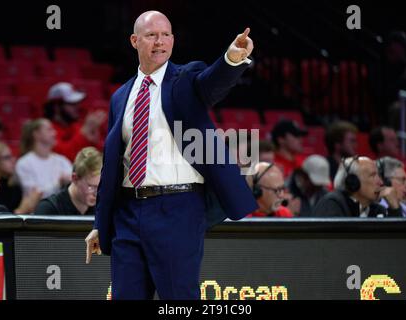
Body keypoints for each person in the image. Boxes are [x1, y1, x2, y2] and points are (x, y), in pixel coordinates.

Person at [85, 11, 257, 300]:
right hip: (128, 212)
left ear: (174, 40)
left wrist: (231, 60)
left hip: (178, 208)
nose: (159, 41)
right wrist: (99, 225)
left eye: (166, 35)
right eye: (151, 35)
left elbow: (211, 83)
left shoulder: (186, 79)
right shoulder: (120, 96)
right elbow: (112, 169)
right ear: (134, 40)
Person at [312, 156, 402, 218]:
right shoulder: (332, 204)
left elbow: (396, 244)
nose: (381, 182)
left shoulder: (377, 210)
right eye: (373, 175)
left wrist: (394, 208)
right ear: (353, 181)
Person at [44, 82, 107, 162]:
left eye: (77, 103)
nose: (78, 107)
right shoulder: (46, 130)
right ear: (56, 107)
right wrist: (84, 132)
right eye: (72, 104)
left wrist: (94, 141)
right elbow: (64, 157)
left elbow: (94, 158)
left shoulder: (76, 126)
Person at [35, 147, 102, 215]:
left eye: (101, 187)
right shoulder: (49, 209)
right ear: (75, 178)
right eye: (91, 187)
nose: (96, 194)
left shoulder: (103, 210)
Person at [15, 118, 73, 199]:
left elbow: (75, 183)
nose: (55, 133)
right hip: (37, 211)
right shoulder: (24, 163)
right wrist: (58, 184)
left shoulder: (62, 160)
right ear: (36, 134)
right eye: (49, 129)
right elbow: (33, 195)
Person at [0, 142, 42, 213]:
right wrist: (22, 210)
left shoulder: (15, 188)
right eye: (7, 157)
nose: (13, 160)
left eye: (12, 156)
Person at [369, 126, 406, 195]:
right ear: (380, 145)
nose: (397, 143)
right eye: (392, 140)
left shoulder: (401, 165)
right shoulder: (369, 167)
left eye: (396, 139)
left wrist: (395, 183)